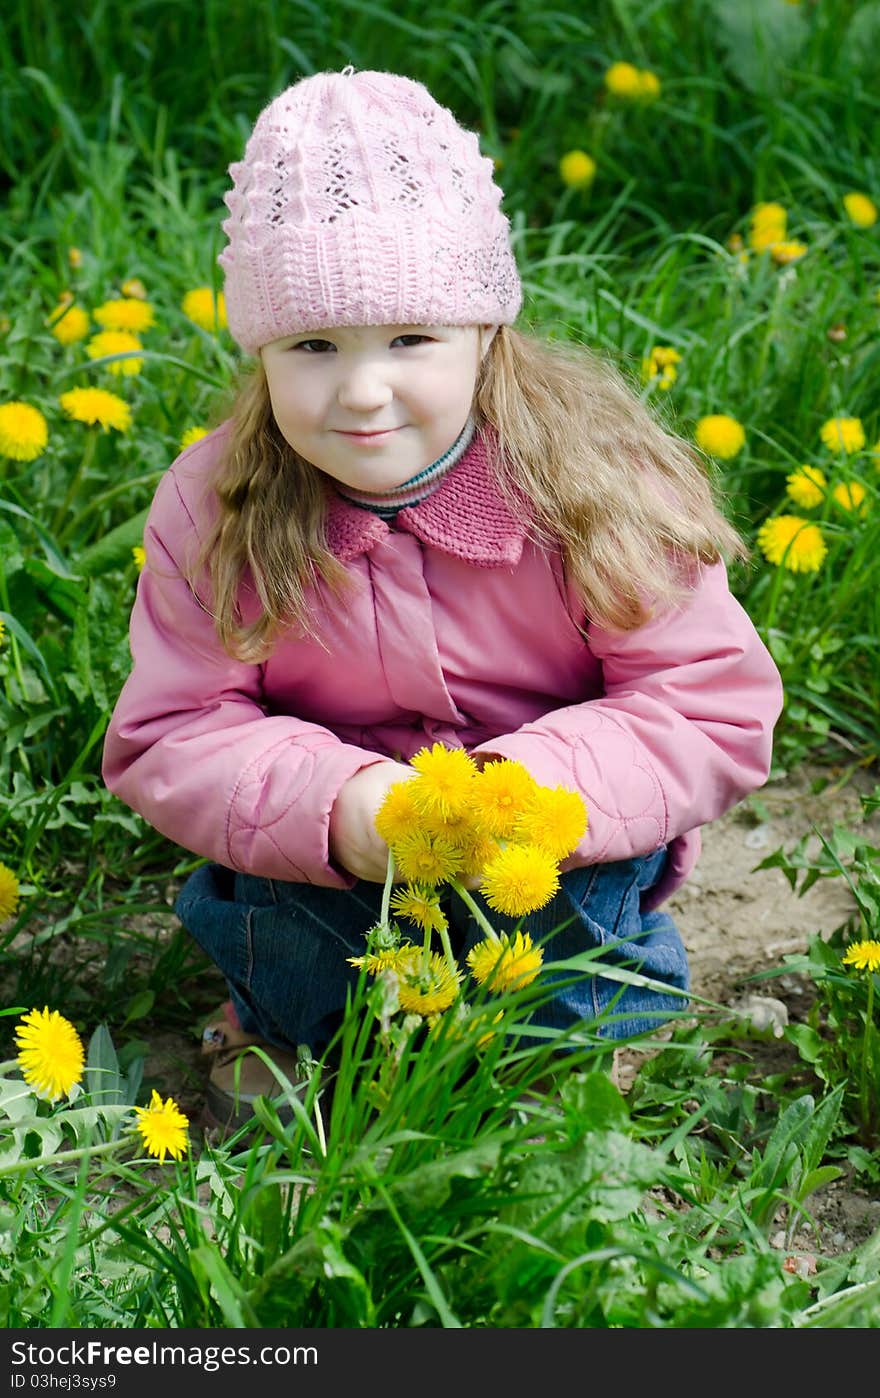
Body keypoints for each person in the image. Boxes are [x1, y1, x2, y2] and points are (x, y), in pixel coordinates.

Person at [102, 67, 783, 1129]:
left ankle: (558, 1055)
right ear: (263, 351)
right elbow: (176, 727)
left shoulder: (594, 481)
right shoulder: (217, 500)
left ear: (485, 331)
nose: (362, 391)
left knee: (568, 947)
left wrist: (526, 793)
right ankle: (291, 1025)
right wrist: (344, 810)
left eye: (410, 338)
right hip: (335, 838)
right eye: (313, 347)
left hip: (551, 833)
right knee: (286, 918)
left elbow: (706, 703)